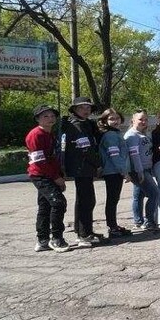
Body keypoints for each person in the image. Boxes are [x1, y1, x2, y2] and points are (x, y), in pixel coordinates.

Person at [59, 96, 105, 247]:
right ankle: (84, 235)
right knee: (86, 200)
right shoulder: (77, 125)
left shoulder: (86, 124)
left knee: (84, 200)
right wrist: (97, 164)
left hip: (85, 167)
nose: (85, 110)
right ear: (75, 110)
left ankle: (84, 230)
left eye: (88, 108)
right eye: (81, 108)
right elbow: (85, 149)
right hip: (82, 166)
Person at [27, 104, 71, 252]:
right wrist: (55, 177)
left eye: (52, 116)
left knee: (45, 206)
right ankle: (56, 238)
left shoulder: (50, 134)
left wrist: (59, 174)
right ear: (38, 119)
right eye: (45, 116)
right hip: (40, 175)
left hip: (50, 174)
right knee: (58, 203)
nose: (50, 118)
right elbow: (39, 160)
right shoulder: (36, 135)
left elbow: (52, 157)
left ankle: (42, 240)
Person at [97, 108, 132, 239]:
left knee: (114, 199)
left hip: (115, 171)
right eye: (111, 119)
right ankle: (112, 227)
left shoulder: (115, 133)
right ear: (105, 121)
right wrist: (124, 172)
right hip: (112, 172)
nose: (115, 121)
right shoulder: (110, 135)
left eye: (117, 118)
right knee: (112, 200)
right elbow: (114, 155)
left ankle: (114, 225)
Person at [124, 110, 160, 231]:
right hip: (139, 170)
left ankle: (138, 221)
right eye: (140, 119)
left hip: (146, 169)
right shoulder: (132, 135)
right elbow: (134, 155)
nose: (144, 121)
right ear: (133, 120)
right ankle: (149, 221)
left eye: (145, 119)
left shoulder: (142, 133)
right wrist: (140, 172)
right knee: (155, 193)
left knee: (138, 196)